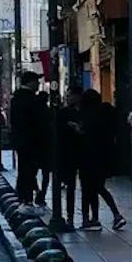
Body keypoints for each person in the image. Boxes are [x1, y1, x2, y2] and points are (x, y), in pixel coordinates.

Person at [77, 89, 126, 230]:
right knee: (98, 188)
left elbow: (87, 136)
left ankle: (89, 219)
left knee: (88, 190)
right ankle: (103, 217)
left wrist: (79, 131)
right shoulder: (104, 115)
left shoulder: (88, 116)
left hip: (88, 157)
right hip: (103, 158)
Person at [9, 71, 46, 204]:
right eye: (36, 82)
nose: (38, 84)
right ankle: (27, 197)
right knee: (29, 170)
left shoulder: (16, 98)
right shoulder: (31, 99)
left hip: (20, 140)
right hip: (32, 141)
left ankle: (23, 195)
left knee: (24, 169)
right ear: (30, 82)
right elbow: (38, 120)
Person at [52, 86, 85, 228]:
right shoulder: (63, 113)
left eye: (70, 95)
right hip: (64, 153)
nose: (68, 97)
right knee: (66, 186)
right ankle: (66, 216)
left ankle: (74, 217)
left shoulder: (83, 112)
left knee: (74, 187)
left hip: (77, 153)